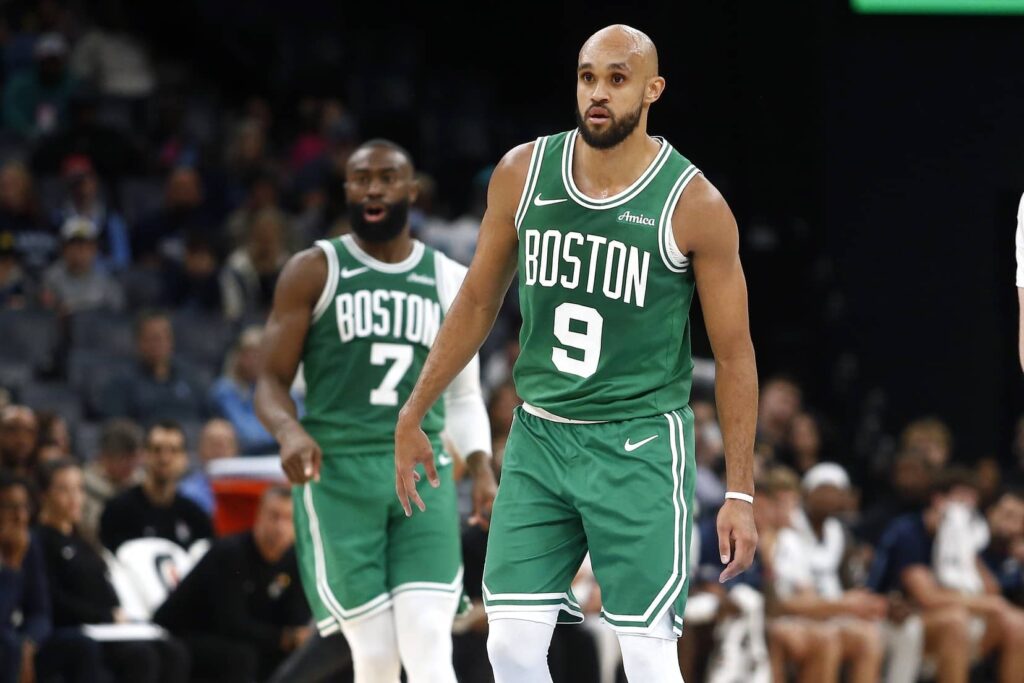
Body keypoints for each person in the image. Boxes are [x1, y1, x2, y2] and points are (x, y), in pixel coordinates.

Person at [394, 25, 758, 683]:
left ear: (652, 90)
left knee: (648, 657)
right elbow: (477, 300)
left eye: (617, 79)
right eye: (588, 76)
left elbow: (734, 356)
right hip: (540, 436)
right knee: (506, 646)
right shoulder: (524, 172)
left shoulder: (694, 204)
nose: (597, 92)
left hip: (639, 443)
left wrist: (739, 490)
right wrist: (416, 409)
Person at [255, 138, 494, 683]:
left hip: (422, 473)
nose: (373, 188)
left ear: (412, 191)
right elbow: (268, 381)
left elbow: (462, 396)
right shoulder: (313, 270)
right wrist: (288, 430)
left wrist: (480, 467)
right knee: (378, 655)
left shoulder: (450, 280)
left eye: (387, 177)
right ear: (346, 191)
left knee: (430, 642)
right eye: (361, 179)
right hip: (338, 474)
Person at [36, 459, 189, 683]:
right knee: (141, 656)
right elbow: (53, 598)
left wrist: (119, 615)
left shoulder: (85, 539)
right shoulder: (40, 540)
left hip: (109, 627)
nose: (74, 498)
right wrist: (105, 616)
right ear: (44, 495)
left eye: (78, 489)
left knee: (173, 650)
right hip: (77, 629)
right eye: (64, 489)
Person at [870, 471, 1024, 683]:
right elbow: (927, 598)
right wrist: (988, 604)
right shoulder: (910, 531)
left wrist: (968, 552)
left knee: (1017, 624)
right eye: (960, 500)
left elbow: (990, 591)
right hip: (893, 617)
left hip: (943, 619)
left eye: (971, 504)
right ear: (938, 500)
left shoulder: (963, 537)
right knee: (955, 620)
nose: (965, 510)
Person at [154, 487, 311, 682]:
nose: (280, 527)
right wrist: (285, 638)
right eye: (274, 516)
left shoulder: (295, 560)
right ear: (258, 516)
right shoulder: (230, 553)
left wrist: (298, 637)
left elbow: (296, 619)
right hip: (185, 634)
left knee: (307, 655)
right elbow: (231, 623)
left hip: (240, 639)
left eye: (288, 519)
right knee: (242, 656)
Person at [99, 421, 212, 552]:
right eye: (157, 450)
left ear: (185, 459)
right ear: (143, 455)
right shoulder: (118, 511)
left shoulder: (195, 516)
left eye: (173, 451)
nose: (164, 459)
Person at [97, 310, 209, 424]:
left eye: (164, 337)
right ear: (138, 342)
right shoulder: (121, 383)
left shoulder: (190, 378)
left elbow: (211, 419)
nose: (159, 344)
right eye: (153, 338)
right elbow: (118, 429)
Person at [210, 326, 278, 454]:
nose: (255, 361)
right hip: (241, 460)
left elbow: (300, 424)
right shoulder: (224, 390)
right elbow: (248, 436)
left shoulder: (277, 389)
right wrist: (281, 436)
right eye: (250, 355)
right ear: (238, 357)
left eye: (260, 355)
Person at [40, 216, 125, 314]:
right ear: (63, 248)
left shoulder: (107, 282)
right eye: (74, 244)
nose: (79, 251)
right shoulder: (50, 279)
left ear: (94, 249)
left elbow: (117, 317)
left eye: (85, 245)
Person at [81, 418, 143, 547]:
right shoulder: (81, 487)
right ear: (105, 457)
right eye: (124, 460)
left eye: (134, 461)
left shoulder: (142, 484)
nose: (131, 467)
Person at [177, 418, 238, 516]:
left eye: (224, 444)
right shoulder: (185, 492)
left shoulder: (247, 490)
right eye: (213, 444)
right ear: (200, 449)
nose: (219, 450)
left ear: (235, 450)